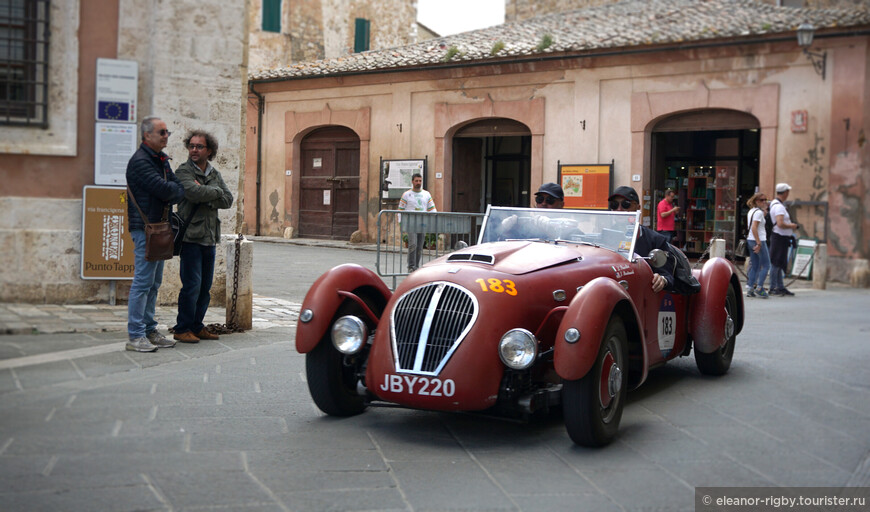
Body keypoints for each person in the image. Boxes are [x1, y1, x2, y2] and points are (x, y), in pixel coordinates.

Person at [125, 116, 185, 352]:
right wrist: (173, 190)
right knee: (142, 282)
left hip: (159, 228)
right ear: (146, 135)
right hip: (145, 229)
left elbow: (178, 188)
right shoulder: (141, 161)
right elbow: (166, 189)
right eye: (161, 132)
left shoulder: (160, 160)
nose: (166, 136)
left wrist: (173, 190)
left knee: (154, 283)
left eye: (167, 132)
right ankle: (136, 335)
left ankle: (150, 330)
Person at [171, 131, 235, 343]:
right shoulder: (183, 171)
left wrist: (209, 192)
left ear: (209, 151)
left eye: (199, 146)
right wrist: (214, 192)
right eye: (191, 146)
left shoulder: (214, 173)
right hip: (190, 236)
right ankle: (182, 328)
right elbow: (192, 193)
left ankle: (197, 326)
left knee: (205, 287)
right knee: (192, 286)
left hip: (209, 236)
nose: (194, 150)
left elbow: (228, 200)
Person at [608, 186, 673, 293]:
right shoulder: (604, 237)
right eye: (614, 205)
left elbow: (667, 275)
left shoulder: (656, 239)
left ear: (638, 207)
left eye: (625, 204)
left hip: (641, 294)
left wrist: (661, 279)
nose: (619, 209)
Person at [398, 173, 436, 272]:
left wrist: (435, 220)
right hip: (411, 223)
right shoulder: (406, 194)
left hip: (422, 223)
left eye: (420, 181)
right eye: (416, 181)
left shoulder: (426, 194)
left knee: (420, 245)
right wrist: (400, 223)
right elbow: (400, 209)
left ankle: (416, 266)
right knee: (413, 244)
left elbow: (432, 208)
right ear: (412, 181)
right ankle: (411, 266)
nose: (418, 183)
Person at [769, 183, 799, 296]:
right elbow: (780, 224)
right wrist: (792, 226)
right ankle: (773, 287)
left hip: (780, 237)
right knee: (776, 263)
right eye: (788, 191)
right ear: (785, 192)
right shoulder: (779, 207)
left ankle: (780, 286)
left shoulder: (775, 204)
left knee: (779, 263)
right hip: (779, 237)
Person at [745, 192, 770, 298]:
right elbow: (754, 227)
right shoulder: (758, 213)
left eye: (765, 199)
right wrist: (759, 243)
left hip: (750, 240)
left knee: (755, 265)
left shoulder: (752, 211)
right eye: (761, 200)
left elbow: (756, 224)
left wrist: (764, 210)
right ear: (756, 201)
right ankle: (759, 288)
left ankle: (750, 288)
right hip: (759, 240)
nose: (764, 202)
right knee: (766, 265)